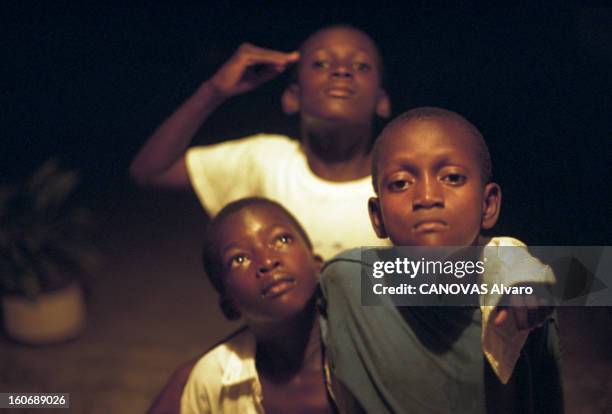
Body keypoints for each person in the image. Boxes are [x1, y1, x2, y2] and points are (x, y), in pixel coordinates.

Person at [318, 107, 563, 413]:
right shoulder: (348, 283)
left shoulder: (521, 299)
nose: (427, 196)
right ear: (377, 216)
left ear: (487, 205)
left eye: (452, 177)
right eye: (401, 183)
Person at [130, 25, 391, 259]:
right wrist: (213, 91)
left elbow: (424, 289)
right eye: (320, 63)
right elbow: (150, 171)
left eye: (361, 66)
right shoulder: (266, 162)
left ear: (382, 101)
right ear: (292, 96)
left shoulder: (403, 184)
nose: (342, 70)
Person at [181, 197, 335, 414]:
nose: (267, 261)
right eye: (239, 259)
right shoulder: (212, 381)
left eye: (282, 239)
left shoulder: (373, 342)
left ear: (318, 265)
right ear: (229, 305)